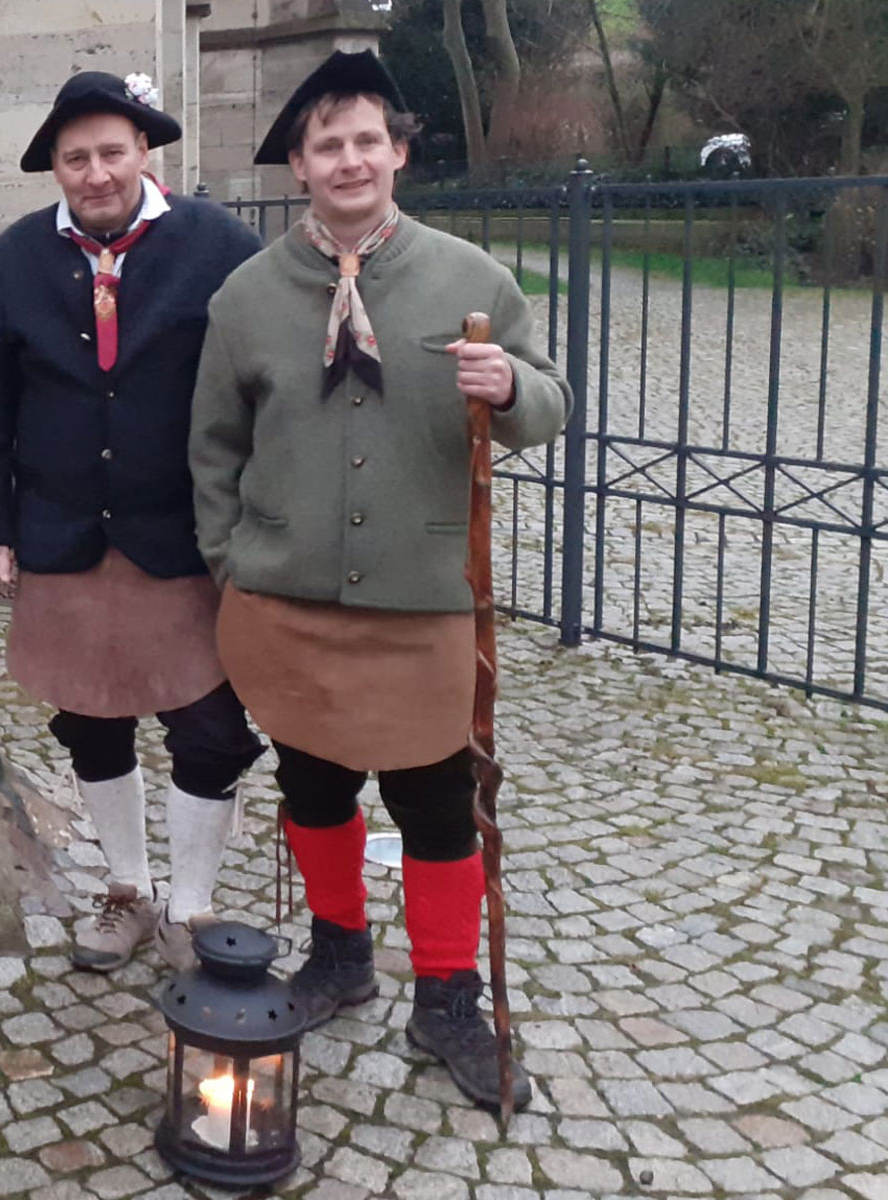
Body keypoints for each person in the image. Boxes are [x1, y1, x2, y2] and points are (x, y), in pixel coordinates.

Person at [189, 50, 570, 1110]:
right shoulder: (246, 298)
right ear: (299, 165)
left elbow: (547, 399)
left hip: (422, 598)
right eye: (326, 143)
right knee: (312, 788)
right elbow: (211, 449)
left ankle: (446, 992)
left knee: (436, 804)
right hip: (286, 603)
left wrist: (512, 388)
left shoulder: (471, 283)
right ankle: (339, 953)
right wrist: (231, 564)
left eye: (366, 139)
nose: (348, 158)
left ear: (396, 151)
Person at [0, 71, 266, 973]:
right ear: (54, 166)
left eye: (111, 152)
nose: (96, 173)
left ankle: (194, 907)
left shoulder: (219, 246)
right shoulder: (10, 263)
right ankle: (126, 888)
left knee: (208, 728)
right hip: (61, 534)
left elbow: (265, 384)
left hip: (186, 537)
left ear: (145, 153)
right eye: (75, 156)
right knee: (93, 723)